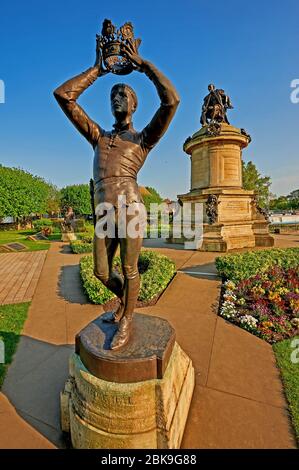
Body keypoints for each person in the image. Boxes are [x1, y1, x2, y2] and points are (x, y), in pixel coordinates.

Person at [53, 39, 179, 349]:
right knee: (100, 271)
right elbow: (64, 97)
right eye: (114, 95)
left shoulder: (143, 139)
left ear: (135, 105)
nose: (117, 98)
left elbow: (171, 102)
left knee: (129, 268)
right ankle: (127, 301)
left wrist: (144, 65)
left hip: (131, 209)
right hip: (105, 214)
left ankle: (126, 319)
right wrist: (96, 70)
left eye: (124, 94)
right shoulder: (98, 136)